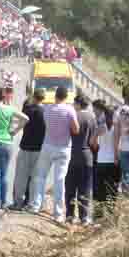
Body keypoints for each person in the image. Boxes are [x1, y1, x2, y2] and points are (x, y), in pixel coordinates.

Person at [28, 85, 79, 221]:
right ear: (66, 97)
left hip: (48, 145)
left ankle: (36, 205)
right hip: (63, 148)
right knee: (59, 180)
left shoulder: (47, 108)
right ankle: (58, 213)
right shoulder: (70, 110)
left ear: (55, 95)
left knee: (41, 176)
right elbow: (75, 129)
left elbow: (46, 124)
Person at [0, 85, 28, 209]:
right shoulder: (9, 109)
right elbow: (25, 118)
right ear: (3, 97)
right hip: (6, 142)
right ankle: (3, 201)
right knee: (4, 174)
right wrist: (14, 131)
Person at [11, 87, 46, 210]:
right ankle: (33, 204)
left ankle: (18, 202)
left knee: (21, 177)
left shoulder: (27, 110)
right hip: (39, 149)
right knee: (36, 177)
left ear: (33, 97)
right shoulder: (45, 113)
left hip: (25, 146)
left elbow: (22, 116)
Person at [65, 94, 96, 225]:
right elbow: (93, 139)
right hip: (87, 155)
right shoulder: (92, 117)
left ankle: (70, 215)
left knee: (71, 186)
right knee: (85, 188)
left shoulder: (74, 115)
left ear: (78, 103)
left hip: (72, 154)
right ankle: (84, 217)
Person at [92, 100, 119, 217]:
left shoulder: (101, 127)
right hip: (113, 161)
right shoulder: (115, 128)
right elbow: (117, 144)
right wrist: (117, 157)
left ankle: (98, 213)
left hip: (101, 160)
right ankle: (111, 211)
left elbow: (91, 141)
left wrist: (97, 147)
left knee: (99, 189)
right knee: (112, 187)